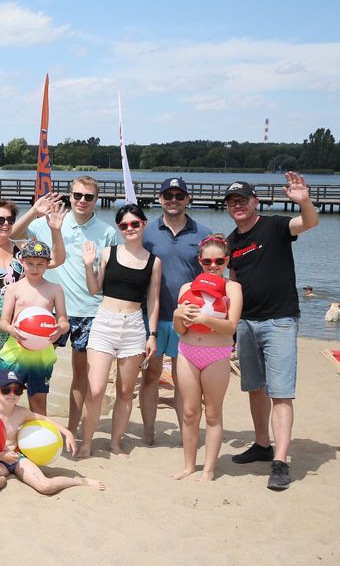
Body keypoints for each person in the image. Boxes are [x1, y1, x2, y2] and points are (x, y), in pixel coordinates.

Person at [224, 175, 318, 490]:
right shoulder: (232, 241)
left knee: (280, 392)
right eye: (232, 202)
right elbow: (234, 283)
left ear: (256, 202)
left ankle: (280, 461)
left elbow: (309, 223)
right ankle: (262, 444)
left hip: (280, 320)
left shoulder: (275, 226)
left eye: (243, 200)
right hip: (246, 323)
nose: (237, 205)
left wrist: (304, 201)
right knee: (255, 388)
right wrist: (231, 325)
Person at [13, 177, 117, 437]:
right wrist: (34, 211)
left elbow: (109, 276)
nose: (82, 201)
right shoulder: (49, 222)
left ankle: (71, 429)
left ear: (97, 199)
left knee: (81, 374)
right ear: (70, 196)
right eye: (78, 195)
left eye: (89, 197)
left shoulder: (107, 232)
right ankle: (38, 427)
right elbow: (13, 235)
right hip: (49, 311)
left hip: (89, 311)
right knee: (38, 371)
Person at [0, 199, 65, 407]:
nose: (5, 224)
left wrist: (55, 230)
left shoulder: (21, 249)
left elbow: (56, 259)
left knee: (13, 382)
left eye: (10, 220)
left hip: (20, 324)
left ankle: (10, 418)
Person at [79, 204, 162, 458]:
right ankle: (86, 443)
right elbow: (94, 289)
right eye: (124, 225)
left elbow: (153, 300)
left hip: (134, 326)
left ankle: (115, 443)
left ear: (144, 224)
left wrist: (152, 335)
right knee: (95, 389)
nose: (130, 228)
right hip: (105, 323)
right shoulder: (108, 253)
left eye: (135, 223)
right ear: (119, 228)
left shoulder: (154, 262)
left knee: (125, 392)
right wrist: (88, 265)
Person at [140, 177, 211, 445]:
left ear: (187, 199)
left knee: (185, 381)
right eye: (168, 195)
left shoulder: (203, 233)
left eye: (179, 196)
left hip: (189, 320)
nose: (173, 200)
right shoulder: (146, 232)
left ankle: (186, 435)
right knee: (150, 376)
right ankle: (149, 433)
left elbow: (213, 275)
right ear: (160, 199)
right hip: (153, 318)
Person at [171, 235, 242, 482]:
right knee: (189, 413)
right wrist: (177, 315)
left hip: (216, 355)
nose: (213, 265)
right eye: (207, 261)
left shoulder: (232, 288)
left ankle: (209, 469)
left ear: (227, 260)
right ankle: (189, 465)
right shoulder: (186, 288)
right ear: (199, 261)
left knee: (212, 413)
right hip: (187, 352)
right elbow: (181, 330)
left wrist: (205, 319)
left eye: (219, 261)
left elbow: (231, 326)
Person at [0, 369, 104, 495]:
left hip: (17, 458)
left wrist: (67, 433)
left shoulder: (21, 413)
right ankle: (7, 477)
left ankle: (79, 481)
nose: (12, 394)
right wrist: (2, 456)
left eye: (17, 391)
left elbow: (44, 419)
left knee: (45, 487)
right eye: (6, 390)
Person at [0, 240, 70, 415]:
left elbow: (64, 321)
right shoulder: (13, 288)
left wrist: (60, 329)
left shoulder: (55, 289)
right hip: (15, 351)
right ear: (21, 261)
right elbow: (3, 323)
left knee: (38, 401)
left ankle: (38, 432)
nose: (34, 268)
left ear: (48, 264)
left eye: (40, 264)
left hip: (41, 354)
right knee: (5, 398)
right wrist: (11, 329)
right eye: (30, 263)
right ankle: (3, 430)